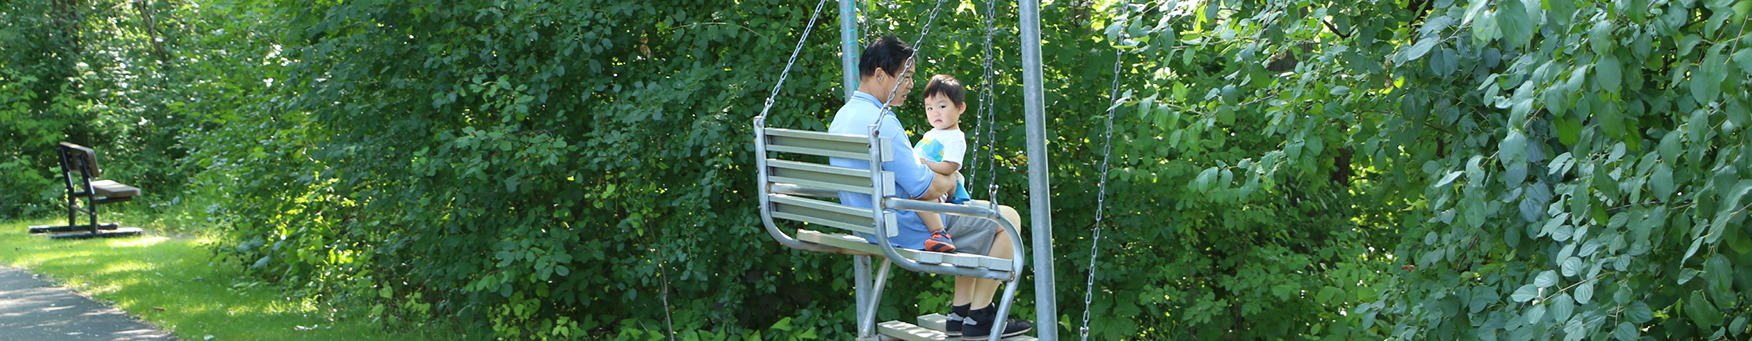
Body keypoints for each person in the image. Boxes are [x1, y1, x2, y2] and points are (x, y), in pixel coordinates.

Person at [827, 36, 1031, 340]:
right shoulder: (881, 121)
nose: (911, 84)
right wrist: (949, 180)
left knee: (979, 220)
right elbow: (924, 188)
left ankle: (960, 313)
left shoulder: (843, 117)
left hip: (870, 223)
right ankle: (980, 316)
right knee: (1007, 220)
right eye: (906, 76)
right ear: (881, 75)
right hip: (903, 226)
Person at [909, 74, 975, 253]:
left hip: (938, 187)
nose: (935, 113)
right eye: (929, 108)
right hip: (925, 179)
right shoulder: (931, 134)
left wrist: (925, 165)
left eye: (942, 106)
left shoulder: (955, 137)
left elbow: (950, 166)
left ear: (960, 107)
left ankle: (939, 233)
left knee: (919, 194)